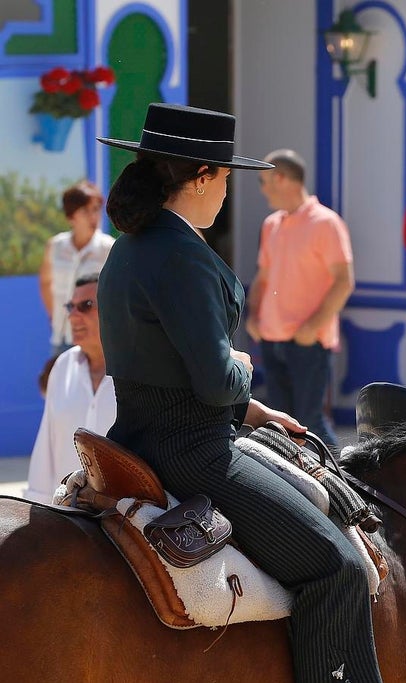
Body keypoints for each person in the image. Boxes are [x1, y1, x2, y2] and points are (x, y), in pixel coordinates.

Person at [96, 103, 383, 683]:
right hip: (195, 453)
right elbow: (212, 378)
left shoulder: (128, 248)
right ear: (201, 177)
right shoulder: (181, 257)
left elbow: (169, 372)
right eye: (226, 177)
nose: (228, 191)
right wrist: (243, 368)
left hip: (137, 435)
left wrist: (251, 408)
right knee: (341, 567)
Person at [246, 149, 354, 450]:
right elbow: (262, 277)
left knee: (310, 421)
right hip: (271, 341)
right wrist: (253, 318)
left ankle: (346, 484)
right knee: (280, 426)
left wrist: (311, 328)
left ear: (281, 178)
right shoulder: (271, 225)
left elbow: (344, 282)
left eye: (264, 181)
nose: (263, 188)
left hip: (308, 343)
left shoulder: (326, 223)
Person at [24, 273, 115, 504]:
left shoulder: (140, 369)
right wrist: (37, 507)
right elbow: (47, 443)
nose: (73, 316)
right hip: (65, 521)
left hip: (120, 523)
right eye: (70, 307)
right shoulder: (62, 366)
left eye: (85, 306)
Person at [38, 180, 114, 355]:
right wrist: (55, 316)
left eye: (96, 209)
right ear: (71, 216)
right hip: (62, 337)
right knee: (56, 380)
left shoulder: (108, 248)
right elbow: (46, 282)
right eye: (86, 210)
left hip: (96, 340)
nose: (93, 216)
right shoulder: (55, 245)